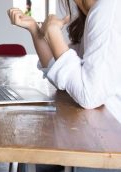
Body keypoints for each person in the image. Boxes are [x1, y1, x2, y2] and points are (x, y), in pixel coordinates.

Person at [8, 0, 121, 171]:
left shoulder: (108, 9)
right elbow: (64, 77)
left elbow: (88, 95)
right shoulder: (93, 12)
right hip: (94, 132)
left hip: (108, 145)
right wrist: (34, 29)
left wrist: (53, 33)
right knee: (32, 151)